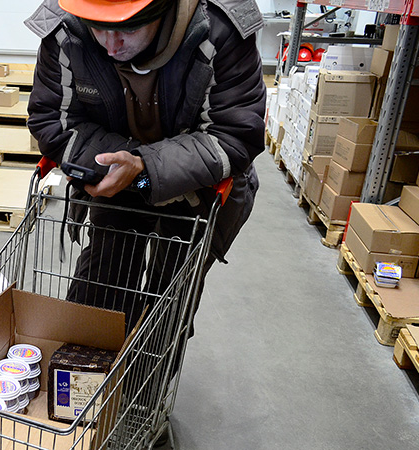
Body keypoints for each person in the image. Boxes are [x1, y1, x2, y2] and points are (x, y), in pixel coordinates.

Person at [24, 0, 265, 331]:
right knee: (97, 298)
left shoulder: (220, 29)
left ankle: (149, 358)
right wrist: (129, 170)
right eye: (98, 28)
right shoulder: (67, 26)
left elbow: (234, 135)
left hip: (197, 187)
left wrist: (146, 167)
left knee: (166, 309)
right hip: (117, 181)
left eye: (128, 28)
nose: (111, 46)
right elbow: (53, 122)